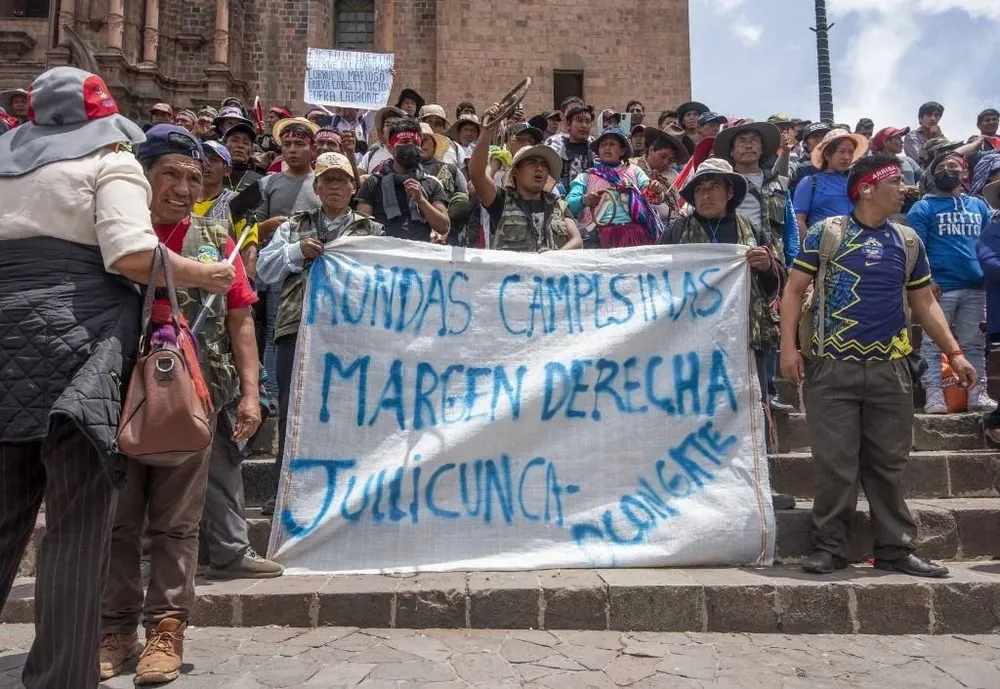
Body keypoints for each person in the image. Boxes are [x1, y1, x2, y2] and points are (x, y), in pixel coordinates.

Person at [0, 66, 234, 689]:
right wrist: (206, 277)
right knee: (78, 523)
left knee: (5, 513)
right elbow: (130, 254)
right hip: (76, 350)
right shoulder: (111, 166)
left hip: (3, 346)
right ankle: (59, 676)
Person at [98, 124, 261, 684]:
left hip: (193, 396)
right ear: (143, 176)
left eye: (194, 177)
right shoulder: (114, 231)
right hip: (115, 395)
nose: (184, 187)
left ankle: (166, 629)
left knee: (178, 523)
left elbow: (241, 318)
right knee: (118, 521)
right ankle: (115, 630)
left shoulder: (217, 238)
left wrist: (249, 391)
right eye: (171, 173)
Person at [781, 154, 975, 578]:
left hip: (891, 368)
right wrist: (789, 349)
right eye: (893, 182)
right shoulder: (826, 234)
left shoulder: (907, 241)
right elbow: (794, 291)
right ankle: (829, 546)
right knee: (835, 461)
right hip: (831, 366)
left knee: (890, 463)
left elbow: (924, 302)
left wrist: (955, 352)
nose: (902, 189)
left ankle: (894, 549)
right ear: (866, 187)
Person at [258, 152, 384, 513]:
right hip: (295, 326)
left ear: (352, 187)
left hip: (350, 332)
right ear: (316, 187)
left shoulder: (371, 231)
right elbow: (265, 271)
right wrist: (296, 252)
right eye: (327, 180)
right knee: (293, 410)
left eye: (341, 180)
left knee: (346, 409)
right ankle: (285, 490)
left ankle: (345, 489)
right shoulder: (292, 227)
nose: (333, 186)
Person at [660, 158, 783, 453]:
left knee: (750, 406)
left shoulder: (751, 231)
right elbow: (656, 277)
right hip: (691, 343)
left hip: (744, 340)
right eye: (699, 188)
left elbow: (780, 278)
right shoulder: (676, 232)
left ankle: (757, 486)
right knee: (694, 411)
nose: (705, 194)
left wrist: (767, 265)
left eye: (714, 186)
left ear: (729, 193)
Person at [907, 152, 996, 413]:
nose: (947, 170)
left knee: (974, 344)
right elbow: (917, 248)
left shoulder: (979, 206)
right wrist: (927, 280)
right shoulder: (923, 207)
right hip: (939, 288)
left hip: (976, 286)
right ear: (933, 175)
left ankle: (976, 395)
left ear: (964, 172)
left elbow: (988, 243)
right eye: (941, 167)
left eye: (953, 166)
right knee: (932, 343)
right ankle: (934, 396)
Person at [470, 105, 581, 252]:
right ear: (515, 171)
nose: (539, 168)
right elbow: (477, 176)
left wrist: (553, 258)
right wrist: (487, 130)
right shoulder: (500, 200)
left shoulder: (558, 205)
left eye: (543, 164)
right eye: (531, 163)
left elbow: (577, 240)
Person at [355, 117, 451, 243]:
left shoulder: (431, 183)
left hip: (418, 256)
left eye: (416, 143)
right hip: (383, 257)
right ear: (390, 147)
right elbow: (361, 229)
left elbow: (444, 227)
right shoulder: (373, 183)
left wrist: (421, 200)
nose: (411, 146)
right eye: (405, 141)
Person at [566, 126, 664, 248]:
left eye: (612, 144)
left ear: (622, 150)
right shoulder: (586, 177)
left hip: (634, 234)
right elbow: (568, 205)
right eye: (603, 145)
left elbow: (653, 196)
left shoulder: (635, 171)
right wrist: (584, 200)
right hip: (598, 235)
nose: (607, 148)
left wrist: (656, 190)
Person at [194, 140, 260, 279]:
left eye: (213, 160)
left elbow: (249, 249)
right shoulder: (182, 198)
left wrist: (248, 284)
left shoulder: (238, 202)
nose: (206, 164)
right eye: (202, 158)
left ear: (227, 170)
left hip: (223, 283)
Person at [794, 128, 868, 238]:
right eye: (841, 151)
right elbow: (799, 220)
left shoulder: (854, 184)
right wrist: (807, 251)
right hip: (821, 248)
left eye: (851, 152)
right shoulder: (810, 182)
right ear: (827, 155)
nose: (847, 157)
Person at [419, 123, 470, 244]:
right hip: (416, 232)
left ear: (434, 146)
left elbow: (464, 199)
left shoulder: (451, 170)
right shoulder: (405, 172)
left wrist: (449, 217)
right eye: (417, 140)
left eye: (425, 139)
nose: (421, 143)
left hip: (450, 236)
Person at [633, 125, 689, 227]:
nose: (665, 162)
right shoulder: (632, 167)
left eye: (671, 160)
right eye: (663, 156)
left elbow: (682, 204)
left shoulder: (675, 177)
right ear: (651, 150)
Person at [545, 103, 595, 191]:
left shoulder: (595, 147)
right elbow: (547, 176)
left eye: (588, 121)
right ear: (568, 124)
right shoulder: (555, 144)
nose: (584, 125)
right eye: (579, 121)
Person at [359, 105, 404, 176]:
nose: (391, 127)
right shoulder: (370, 155)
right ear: (382, 130)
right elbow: (357, 180)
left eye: (394, 124)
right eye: (387, 124)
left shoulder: (407, 153)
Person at [222, 118, 264, 191]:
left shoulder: (260, 182)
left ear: (251, 151)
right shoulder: (214, 175)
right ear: (224, 145)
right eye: (235, 140)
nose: (240, 145)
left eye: (246, 143)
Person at [789, 121, 831, 188]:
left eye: (824, 136)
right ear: (805, 143)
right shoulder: (797, 167)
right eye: (815, 136)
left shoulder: (840, 163)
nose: (820, 140)